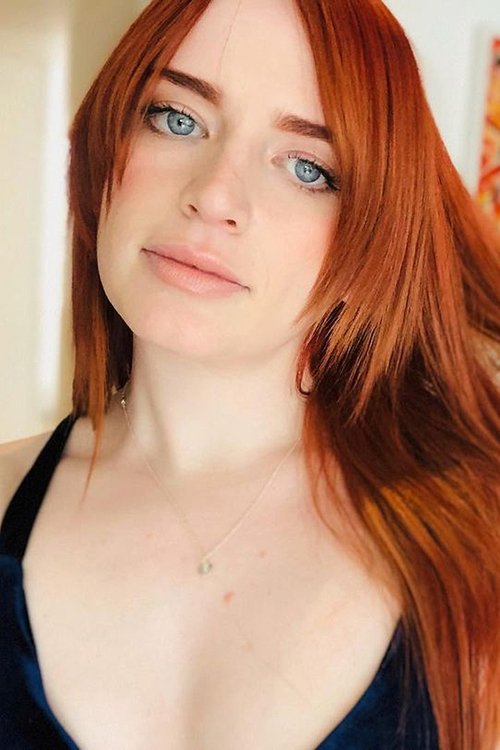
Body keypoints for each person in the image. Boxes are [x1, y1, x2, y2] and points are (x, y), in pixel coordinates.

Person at [0, 0, 498, 747]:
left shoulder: (478, 547)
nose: (214, 196)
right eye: (178, 119)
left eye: (306, 167)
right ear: (104, 146)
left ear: (370, 234)